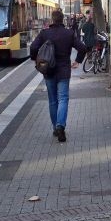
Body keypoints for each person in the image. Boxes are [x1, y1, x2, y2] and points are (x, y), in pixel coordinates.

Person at [30, 9, 87, 143]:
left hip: (49, 70)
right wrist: (77, 61)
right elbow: (82, 48)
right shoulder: (68, 33)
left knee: (52, 100)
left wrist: (35, 58)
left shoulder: (44, 33)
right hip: (63, 71)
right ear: (62, 20)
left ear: (52, 19)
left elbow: (33, 47)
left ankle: (56, 127)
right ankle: (60, 125)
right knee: (63, 98)